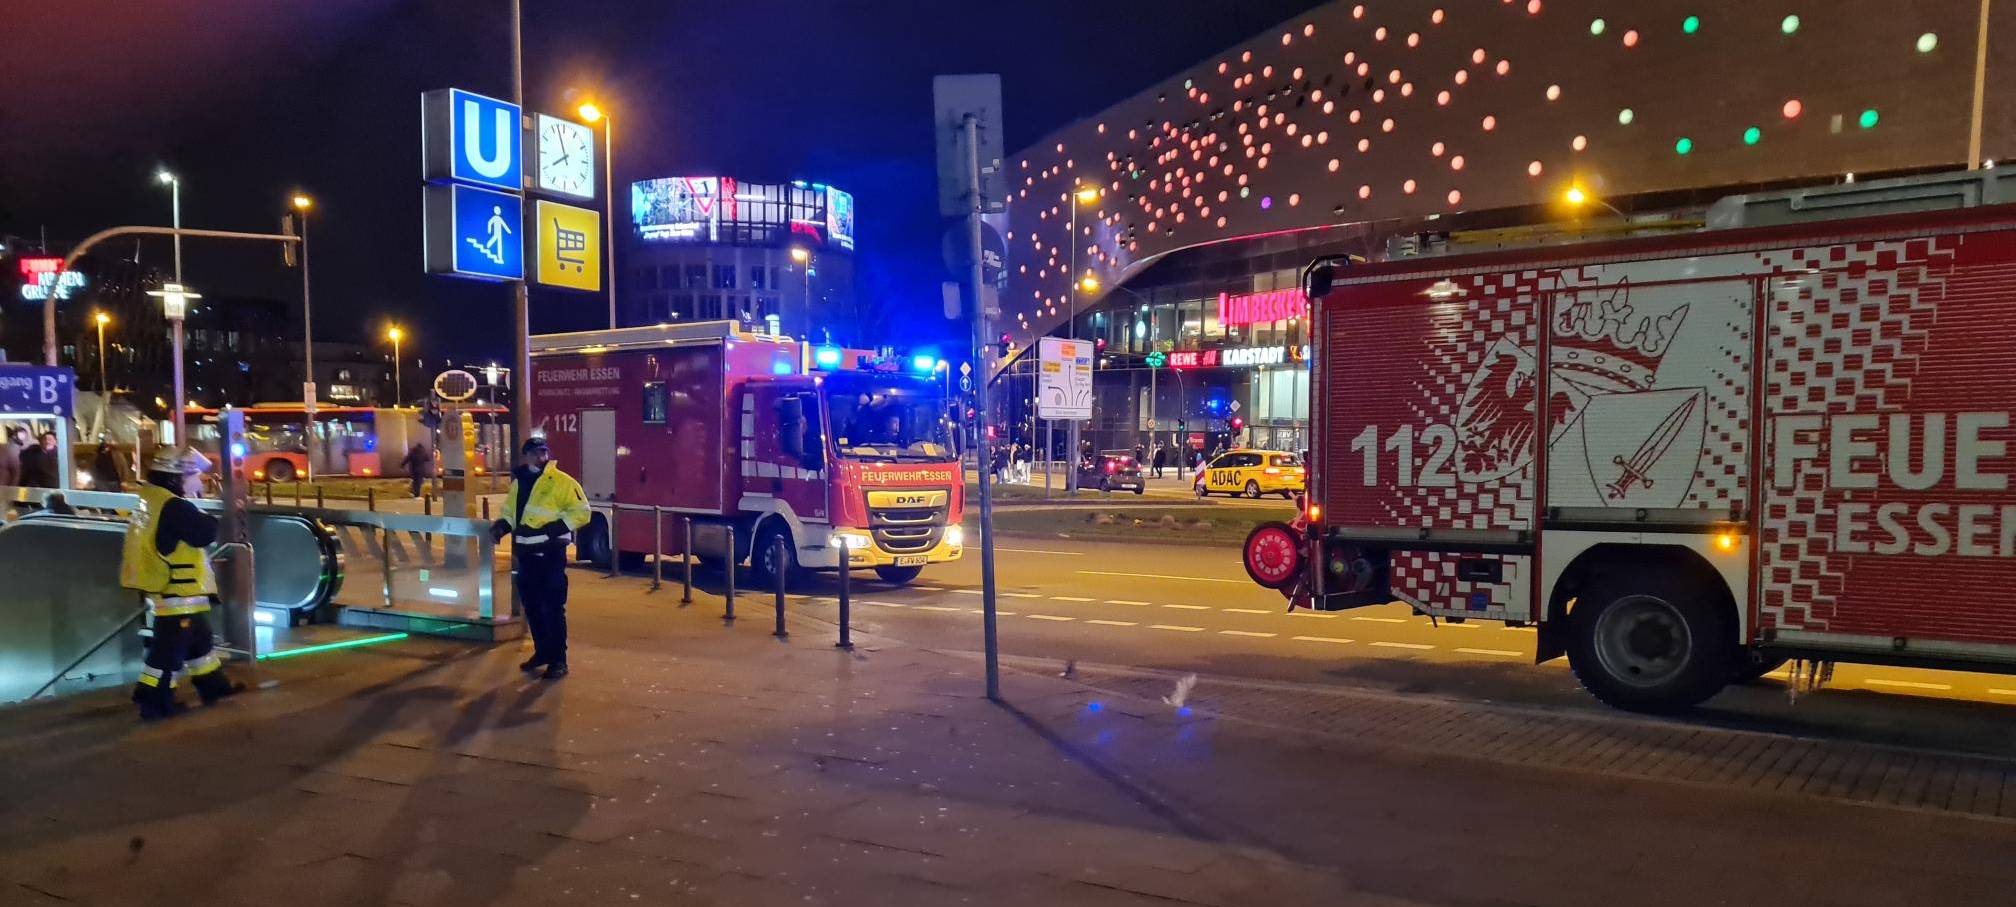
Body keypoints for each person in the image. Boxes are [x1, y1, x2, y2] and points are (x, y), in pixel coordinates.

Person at [121, 448, 240, 721]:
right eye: (194, 477)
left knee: (200, 646)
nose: (199, 482)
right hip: (178, 594)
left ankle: (214, 688)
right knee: (167, 654)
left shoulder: (152, 499)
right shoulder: (175, 506)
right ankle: (154, 703)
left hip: (176, 594)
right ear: (176, 478)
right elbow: (204, 533)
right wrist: (207, 510)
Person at [490, 437, 590, 680]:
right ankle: (543, 652)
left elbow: (582, 512)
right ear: (526, 456)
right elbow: (511, 512)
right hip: (526, 557)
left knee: (553, 609)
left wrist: (552, 530)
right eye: (535, 453)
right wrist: (502, 526)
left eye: (543, 452)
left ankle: (558, 661)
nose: (540, 456)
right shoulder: (520, 481)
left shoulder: (562, 481)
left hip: (550, 556)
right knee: (533, 608)